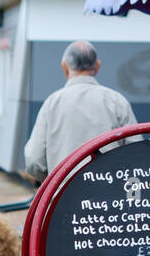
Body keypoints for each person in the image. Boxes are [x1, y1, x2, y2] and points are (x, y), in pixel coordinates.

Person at [23, 40, 136, 181]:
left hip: (63, 196)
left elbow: (34, 161)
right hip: (108, 199)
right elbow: (136, 154)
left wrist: (54, 183)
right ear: (97, 66)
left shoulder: (52, 103)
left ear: (64, 67)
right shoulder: (117, 101)